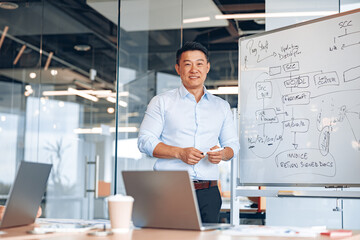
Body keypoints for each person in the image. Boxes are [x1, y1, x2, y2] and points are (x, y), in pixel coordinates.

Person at [137, 41, 239, 223]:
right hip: (169, 190)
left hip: (209, 193)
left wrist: (223, 154)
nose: (194, 69)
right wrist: (179, 153)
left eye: (199, 64)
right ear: (178, 68)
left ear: (207, 67)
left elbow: (233, 144)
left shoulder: (221, 106)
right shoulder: (161, 102)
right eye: (187, 64)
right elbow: (145, 141)